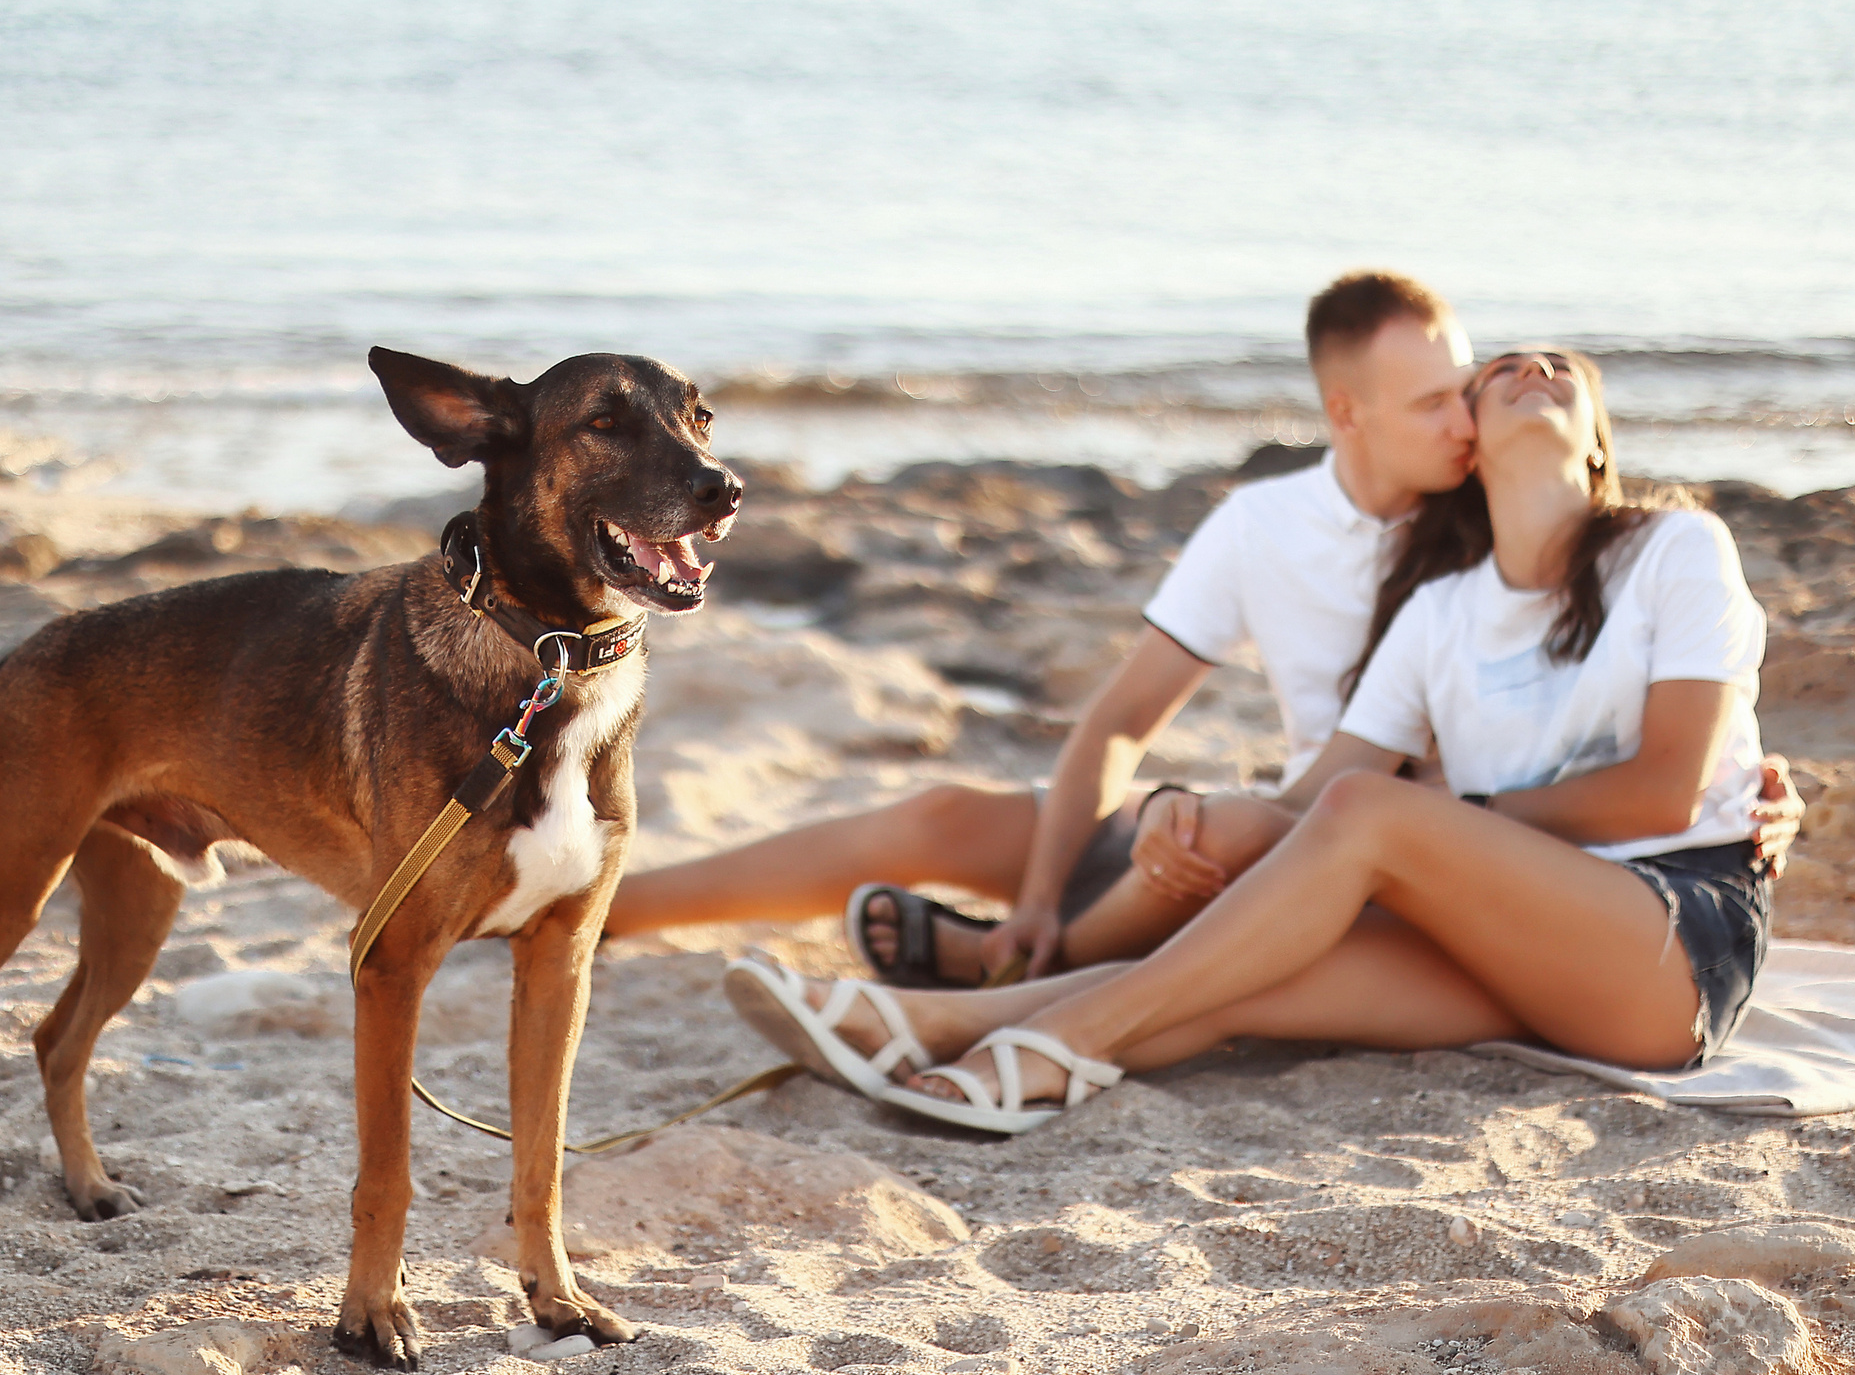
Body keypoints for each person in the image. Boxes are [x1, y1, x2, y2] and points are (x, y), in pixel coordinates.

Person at [725, 348, 1777, 1131]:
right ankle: (943, 1030)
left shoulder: (1674, 549)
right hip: (1509, 944)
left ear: (1597, 438)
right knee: (1249, 979)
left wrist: (1447, 828)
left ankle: (1048, 1040)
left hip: (1668, 942)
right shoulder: (1440, 612)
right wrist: (1189, 810)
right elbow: (1305, 802)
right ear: (1466, 449)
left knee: (1368, 818)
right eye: (1503, 368)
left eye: (1564, 371)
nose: (1536, 368)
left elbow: (1664, 794)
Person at [605, 271, 1484, 983]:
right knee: (948, 816)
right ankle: (602, 909)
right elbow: (1120, 721)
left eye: (1466, 393)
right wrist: (1036, 892)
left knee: (1208, 834)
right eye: (1433, 403)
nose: (1465, 423)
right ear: (1345, 413)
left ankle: (1017, 963)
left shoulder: (1493, 524)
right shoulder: (1266, 525)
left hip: (1352, 854)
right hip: (1265, 827)